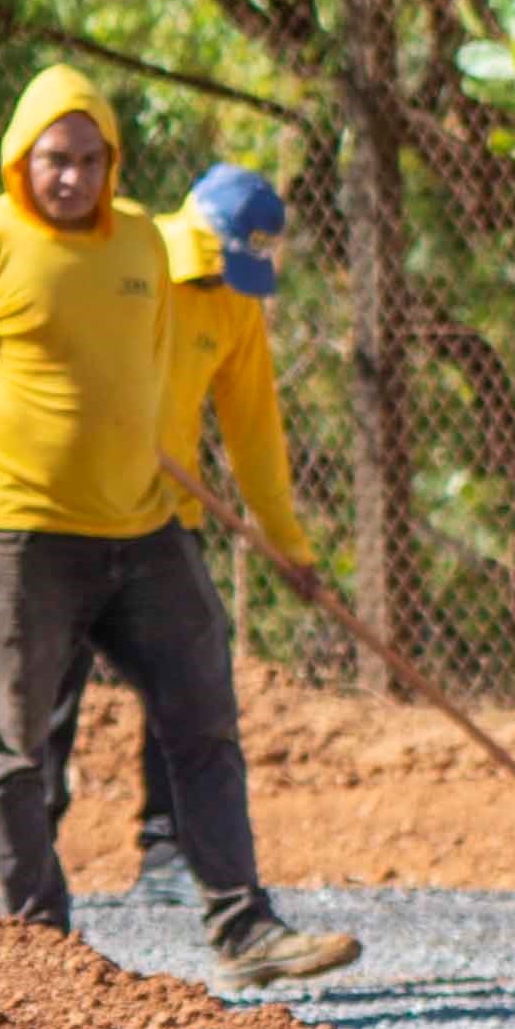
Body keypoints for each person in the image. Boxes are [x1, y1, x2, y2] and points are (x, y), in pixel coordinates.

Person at [0, 65, 360, 991]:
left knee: (204, 721)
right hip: (20, 537)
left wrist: (285, 542)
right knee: (20, 742)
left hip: (148, 532)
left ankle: (245, 929)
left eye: (88, 160)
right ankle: (41, 951)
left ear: (112, 162)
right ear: (20, 160)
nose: (70, 177)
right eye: (53, 160)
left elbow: (197, 400)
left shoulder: (149, 253)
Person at [122, 166, 336, 917]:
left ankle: (166, 850)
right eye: (211, 259)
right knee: (40, 696)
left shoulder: (237, 307)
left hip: (166, 516)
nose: (214, 278)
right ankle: (31, 896)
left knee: (184, 681)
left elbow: (254, 434)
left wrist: (290, 548)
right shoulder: (131, 252)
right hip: (67, 508)